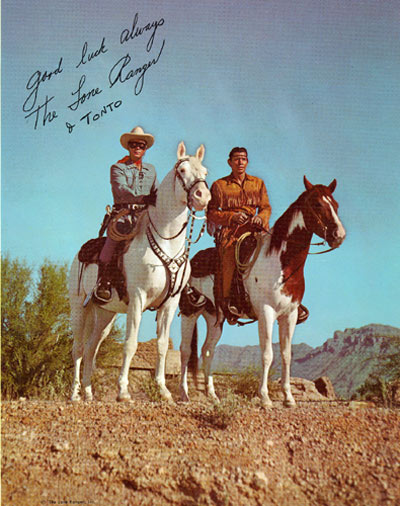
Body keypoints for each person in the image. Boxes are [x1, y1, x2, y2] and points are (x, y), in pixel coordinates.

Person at [207, 147, 271, 324]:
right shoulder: (219, 186)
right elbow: (211, 212)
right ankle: (228, 301)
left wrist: (261, 217)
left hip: (256, 229)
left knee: (278, 249)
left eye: (243, 159)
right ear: (230, 162)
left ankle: (287, 299)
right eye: (236, 159)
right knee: (229, 255)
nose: (240, 162)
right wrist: (231, 217)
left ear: (247, 161)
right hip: (232, 232)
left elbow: (266, 207)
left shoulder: (258, 183)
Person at [95, 126, 158, 302]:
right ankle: (104, 281)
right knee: (115, 237)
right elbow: (121, 190)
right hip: (124, 214)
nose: (137, 148)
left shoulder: (151, 170)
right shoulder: (118, 167)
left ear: (145, 150)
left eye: (141, 145)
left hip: (146, 214)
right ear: (128, 147)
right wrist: (146, 198)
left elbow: (157, 191)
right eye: (134, 145)